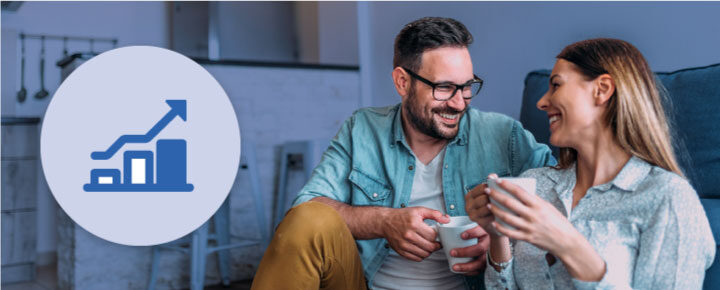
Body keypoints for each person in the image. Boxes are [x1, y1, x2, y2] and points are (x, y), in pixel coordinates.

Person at [251, 17, 555, 290]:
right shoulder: (363, 129)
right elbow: (305, 209)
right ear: (402, 82)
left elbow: (562, 197)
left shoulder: (503, 135)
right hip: (365, 283)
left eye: (466, 87)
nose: (460, 103)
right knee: (310, 220)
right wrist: (384, 221)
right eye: (445, 88)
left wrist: (500, 239)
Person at [466, 38, 716, 289]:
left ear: (602, 89)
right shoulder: (537, 185)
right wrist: (498, 235)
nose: (541, 102)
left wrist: (568, 244)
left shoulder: (668, 198)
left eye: (556, 85)